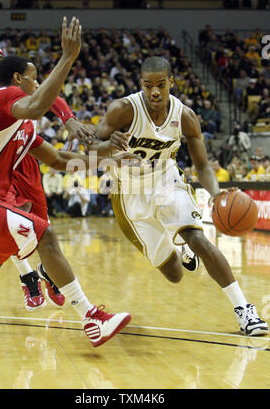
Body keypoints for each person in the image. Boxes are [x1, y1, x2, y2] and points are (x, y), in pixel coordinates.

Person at [0, 17, 140, 347]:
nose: (39, 84)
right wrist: (67, 58)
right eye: (35, 78)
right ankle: (92, 318)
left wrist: (111, 158)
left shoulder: (22, 125)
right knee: (45, 235)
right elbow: (36, 105)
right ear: (19, 79)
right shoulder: (2, 98)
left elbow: (60, 161)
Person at [96, 56, 268, 336]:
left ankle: (244, 310)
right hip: (129, 194)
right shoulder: (124, 109)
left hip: (166, 181)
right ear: (141, 85)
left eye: (160, 85)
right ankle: (177, 248)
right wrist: (106, 145)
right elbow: (91, 144)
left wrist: (215, 194)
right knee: (174, 274)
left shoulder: (184, 116)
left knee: (198, 237)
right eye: (148, 85)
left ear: (171, 83)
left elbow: (201, 165)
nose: (154, 91)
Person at [0, 40, 96, 310]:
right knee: (28, 231)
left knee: (36, 225)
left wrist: (69, 119)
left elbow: (47, 97)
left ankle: (48, 272)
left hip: (21, 156)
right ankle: (30, 275)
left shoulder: (14, 91)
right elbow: (40, 100)